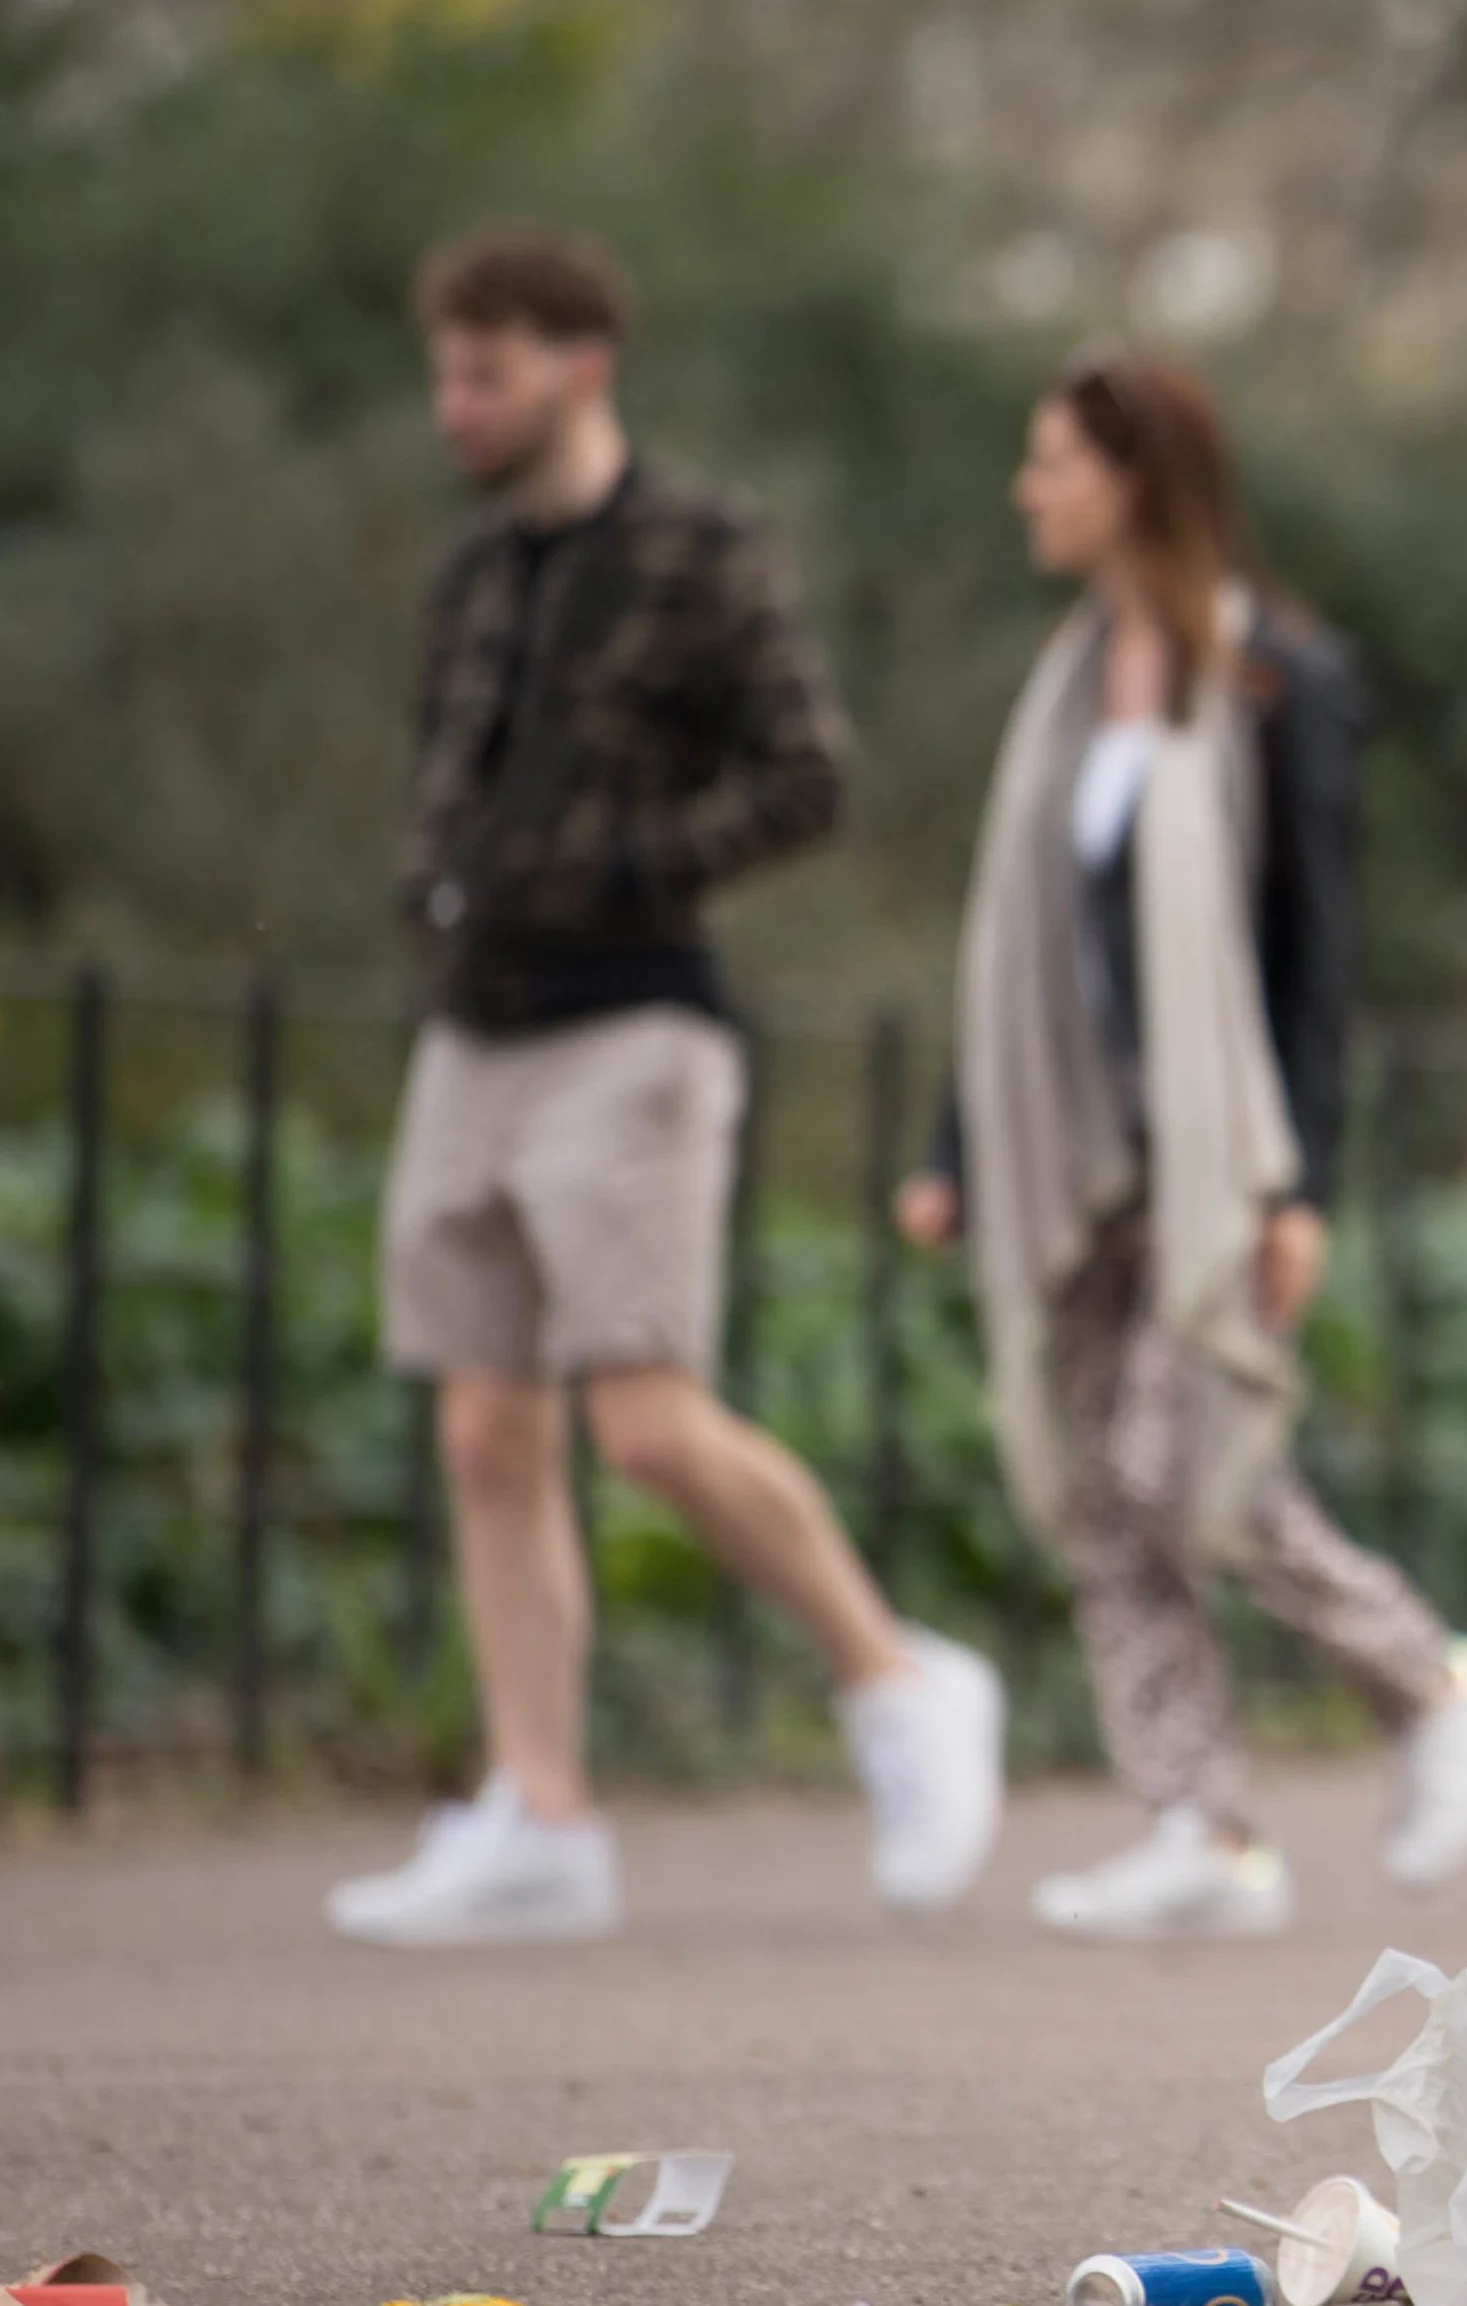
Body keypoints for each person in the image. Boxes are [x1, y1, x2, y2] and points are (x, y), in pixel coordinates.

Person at [327, 227, 1005, 1949]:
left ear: (578, 366)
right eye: (444, 371)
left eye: (484, 372)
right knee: (484, 1424)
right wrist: (439, 891)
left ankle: (900, 1680)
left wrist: (619, 870)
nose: (453, 405)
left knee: (639, 1419)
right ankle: (541, 1814)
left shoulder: (703, 548)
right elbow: (441, 776)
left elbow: (806, 775)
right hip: (472, 1029)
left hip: (635, 1023)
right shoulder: (475, 573)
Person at [896, 346, 1467, 1941]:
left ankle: (1431, 1678)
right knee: (1094, 1494)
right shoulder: (1060, 692)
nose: (1028, 492)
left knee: (1195, 1474)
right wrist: (960, 1146)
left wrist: (1298, 1181)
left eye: (1054, 464)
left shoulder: (1275, 684)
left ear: (1139, 480)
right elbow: (1022, 956)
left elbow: (1319, 956)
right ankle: (1200, 1825)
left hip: (1212, 1155)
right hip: (1082, 1151)